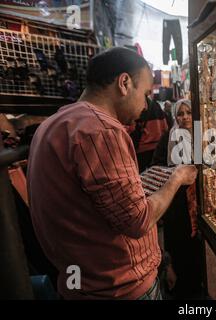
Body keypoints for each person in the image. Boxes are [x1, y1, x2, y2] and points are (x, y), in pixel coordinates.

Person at [27, 47, 197, 300]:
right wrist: (178, 177)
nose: (146, 104)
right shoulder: (100, 130)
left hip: (82, 281)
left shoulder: (57, 122)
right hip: (118, 286)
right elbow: (137, 220)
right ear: (124, 83)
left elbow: (95, 200)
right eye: (145, 93)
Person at [151, 99, 203, 299]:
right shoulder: (167, 138)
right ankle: (179, 289)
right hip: (176, 203)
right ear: (175, 116)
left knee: (196, 245)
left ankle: (197, 285)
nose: (185, 117)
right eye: (180, 114)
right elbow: (156, 167)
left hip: (197, 202)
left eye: (189, 112)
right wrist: (176, 176)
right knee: (179, 243)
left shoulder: (201, 136)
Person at [128, 97, 169, 173]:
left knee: (142, 175)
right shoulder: (156, 106)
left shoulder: (138, 106)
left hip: (142, 150)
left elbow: (131, 128)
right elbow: (165, 127)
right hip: (157, 148)